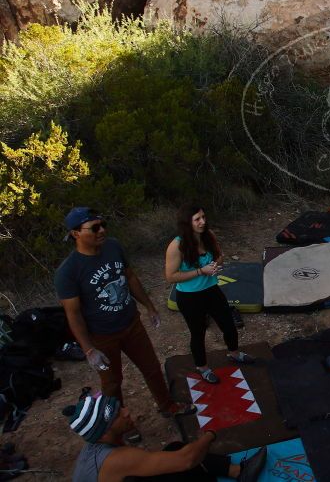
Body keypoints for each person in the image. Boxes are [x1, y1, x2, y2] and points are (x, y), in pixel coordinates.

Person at [55, 207, 195, 422]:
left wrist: (149, 306)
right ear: (76, 234)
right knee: (112, 383)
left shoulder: (113, 247)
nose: (101, 230)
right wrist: (89, 349)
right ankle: (120, 423)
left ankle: (167, 405)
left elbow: (129, 277)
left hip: (131, 324)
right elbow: (73, 314)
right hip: (102, 336)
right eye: (94, 228)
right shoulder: (68, 271)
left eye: (103, 225)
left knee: (152, 368)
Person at [64, 389, 267, 482]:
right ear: (105, 431)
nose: (126, 412)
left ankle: (237, 472)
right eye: (118, 414)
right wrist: (210, 435)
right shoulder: (115, 460)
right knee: (187, 461)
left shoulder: (99, 443)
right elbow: (186, 460)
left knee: (174, 449)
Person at [165, 204, 254, 384]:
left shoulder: (209, 235)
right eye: (197, 219)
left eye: (203, 217)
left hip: (212, 290)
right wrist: (200, 271)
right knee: (198, 333)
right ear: (186, 223)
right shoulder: (176, 246)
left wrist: (216, 264)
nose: (203, 222)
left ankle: (234, 352)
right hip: (190, 297)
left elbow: (219, 255)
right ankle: (203, 368)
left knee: (228, 324)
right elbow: (170, 276)